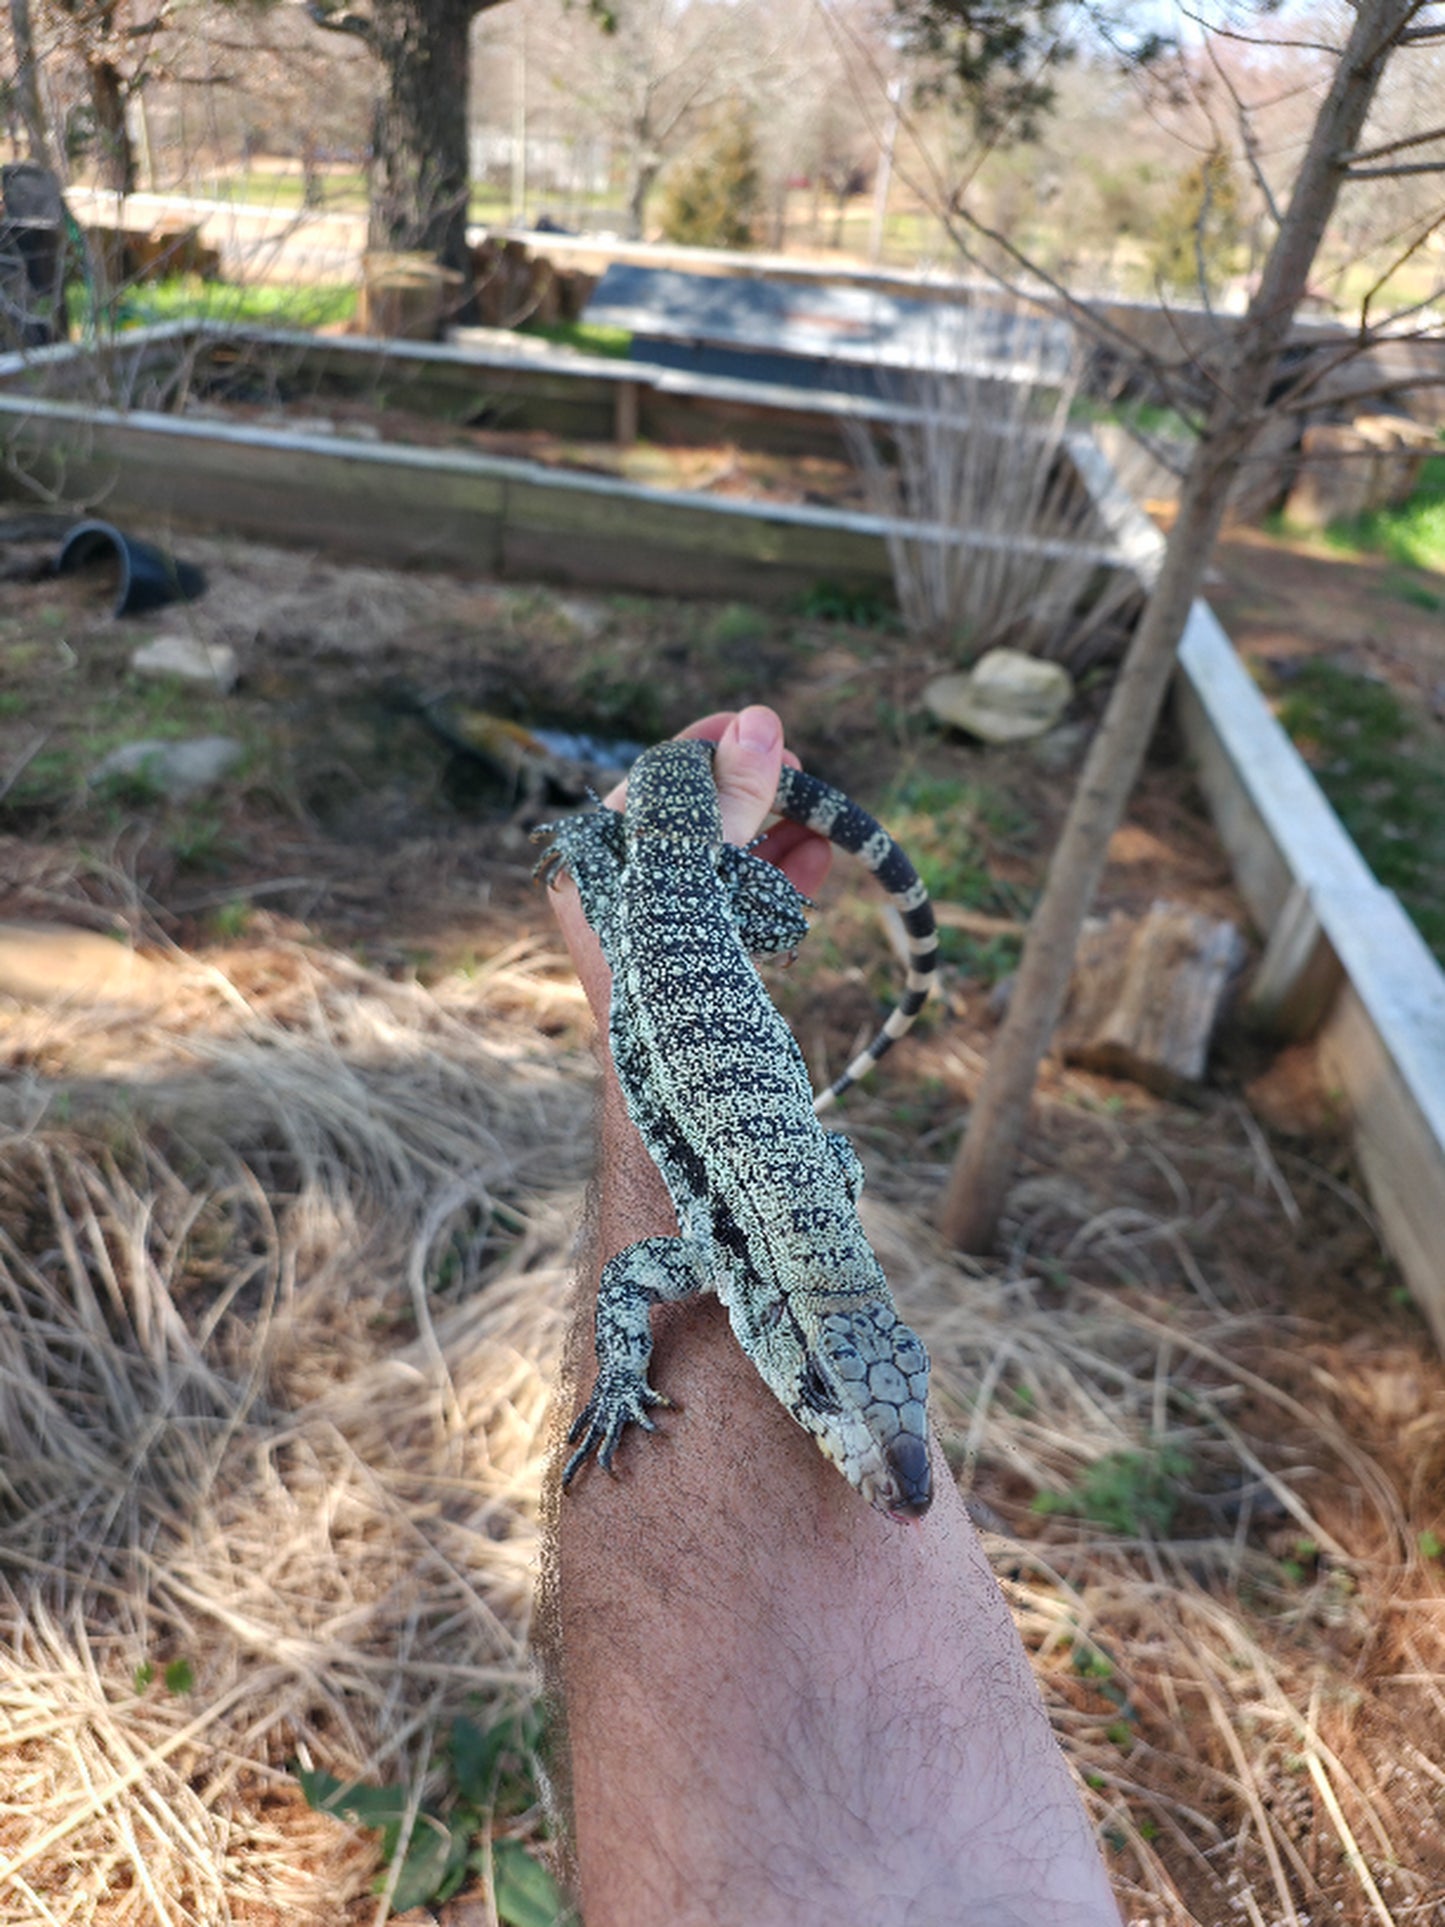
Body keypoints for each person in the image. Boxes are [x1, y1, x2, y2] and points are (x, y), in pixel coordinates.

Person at [538, 705, 1123, 1927]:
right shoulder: (733, 1257)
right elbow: (632, 1281)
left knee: (761, 912)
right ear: (782, 1336)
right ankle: (603, 847)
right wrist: (621, 1380)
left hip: (681, 900)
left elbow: (770, 1204)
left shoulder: (783, 1240)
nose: (877, 1455)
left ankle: (661, 844)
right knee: (770, 914)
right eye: (829, 1399)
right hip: (669, 892)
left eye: (871, 1403)